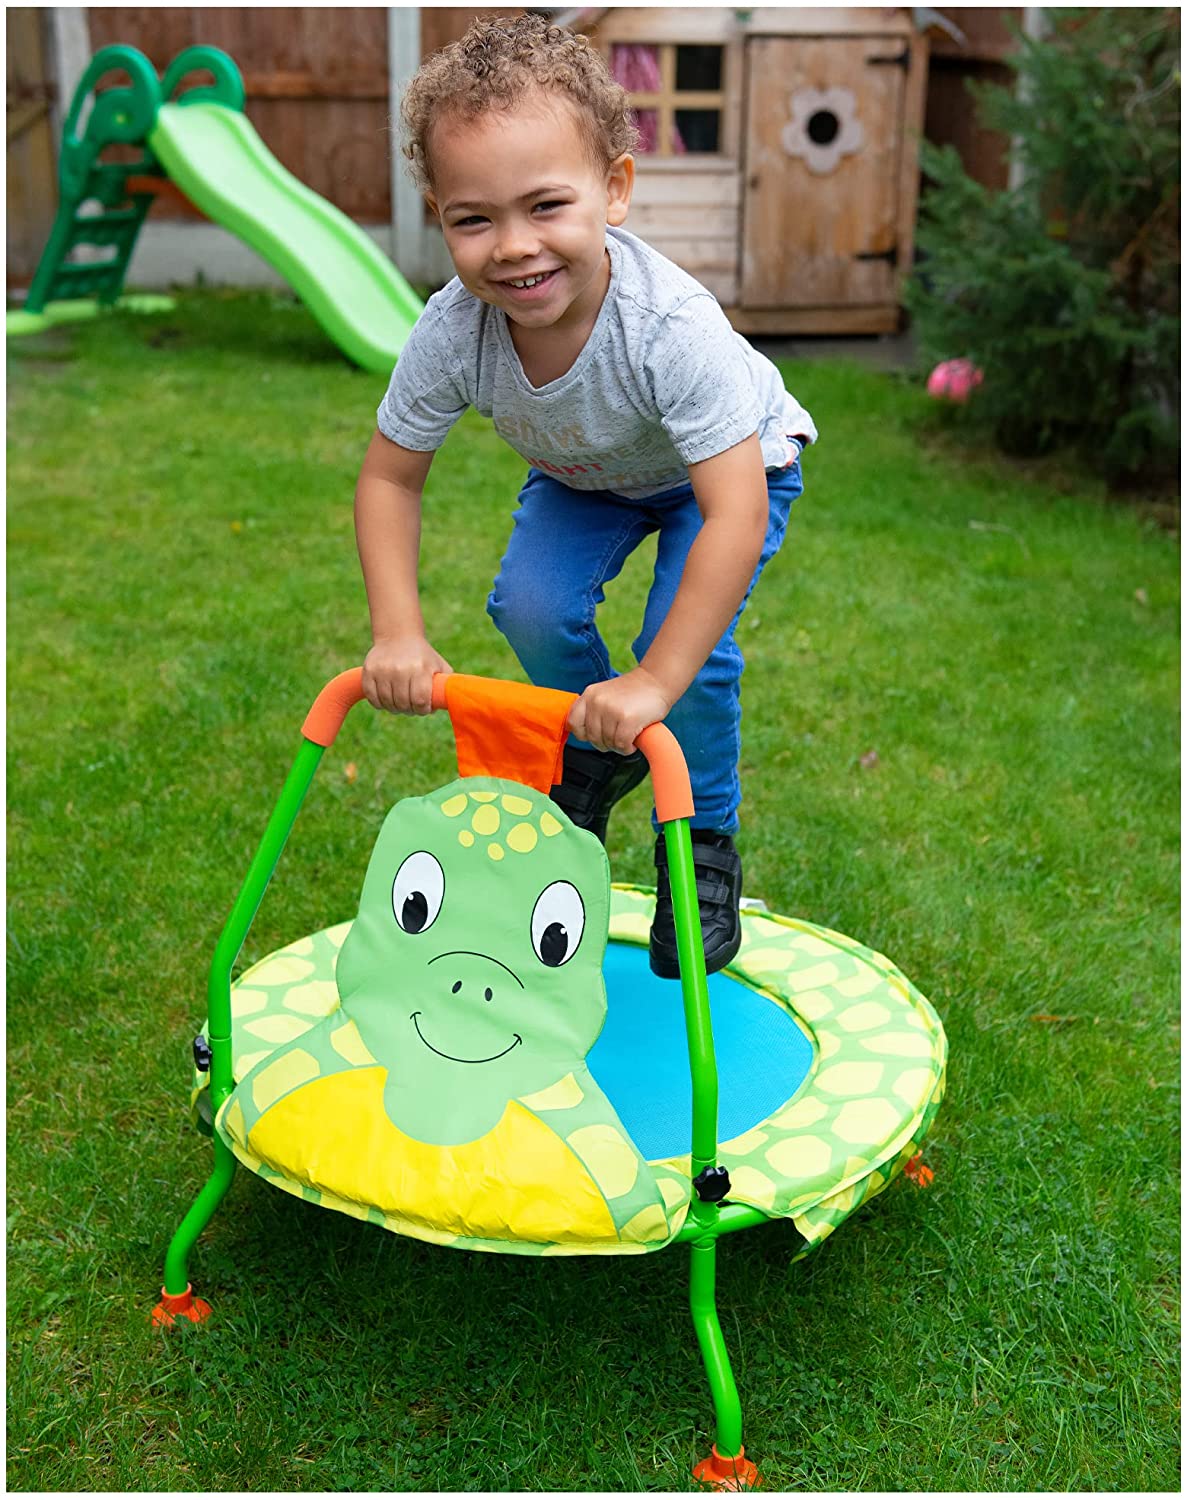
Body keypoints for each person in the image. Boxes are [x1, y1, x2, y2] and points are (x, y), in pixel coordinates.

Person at [354, 13, 816, 979]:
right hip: (587, 477)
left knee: (683, 654)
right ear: (440, 214)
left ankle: (703, 845)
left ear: (614, 188)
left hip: (728, 475)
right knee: (527, 604)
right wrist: (396, 629)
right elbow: (391, 475)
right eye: (473, 219)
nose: (514, 248)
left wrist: (651, 685)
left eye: (546, 206)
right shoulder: (452, 332)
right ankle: (596, 753)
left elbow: (731, 511)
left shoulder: (670, 326)